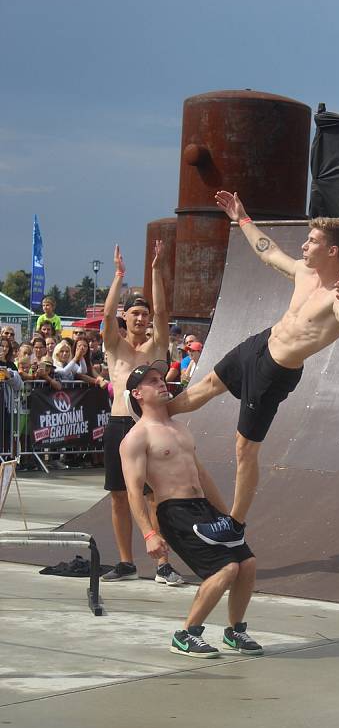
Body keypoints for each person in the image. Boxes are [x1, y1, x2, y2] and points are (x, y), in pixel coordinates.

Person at [167, 190, 339, 542]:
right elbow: (269, 253)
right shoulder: (304, 272)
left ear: (332, 251)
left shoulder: (338, 296)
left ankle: (235, 526)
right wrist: (242, 217)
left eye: (312, 241)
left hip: (276, 373)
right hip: (260, 344)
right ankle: (154, 414)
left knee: (245, 447)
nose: (304, 246)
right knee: (207, 383)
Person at [120, 362, 262, 658]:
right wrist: (149, 534)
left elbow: (203, 476)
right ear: (137, 393)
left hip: (205, 508)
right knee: (225, 569)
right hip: (176, 512)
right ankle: (186, 634)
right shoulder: (137, 437)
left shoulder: (180, 428)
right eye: (152, 381)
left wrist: (230, 517)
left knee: (246, 564)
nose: (161, 383)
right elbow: (134, 491)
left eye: (161, 378)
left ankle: (235, 631)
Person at [101, 241, 183, 585]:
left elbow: (164, 315)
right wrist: (119, 276)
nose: (141, 318)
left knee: (153, 496)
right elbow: (106, 316)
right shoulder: (115, 346)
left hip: (148, 426)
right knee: (119, 496)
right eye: (135, 313)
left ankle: (163, 564)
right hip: (119, 424)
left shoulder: (154, 347)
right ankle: (125, 562)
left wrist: (154, 270)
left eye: (144, 314)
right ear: (126, 317)